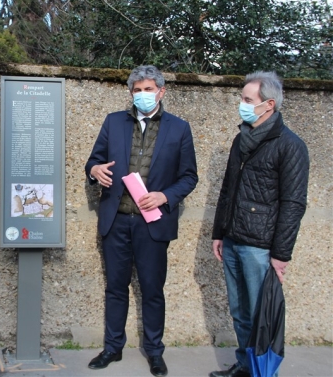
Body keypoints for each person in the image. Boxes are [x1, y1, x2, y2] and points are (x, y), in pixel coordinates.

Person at [85, 65, 198, 376]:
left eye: (149, 89)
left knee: (152, 289)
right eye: (137, 90)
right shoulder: (113, 122)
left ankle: (155, 351)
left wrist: (165, 196)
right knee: (116, 288)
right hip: (117, 220)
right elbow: (93, 161)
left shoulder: (179, 129)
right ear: (130, 93)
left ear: (161, 92)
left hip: (153, 223)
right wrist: (95, 171)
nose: (143, 95)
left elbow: (189, 177)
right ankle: (112, 348)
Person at [210, 71, 309, 377]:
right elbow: (228, 189)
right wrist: (219, 233)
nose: (241, 103)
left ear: (268, 104)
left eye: (246, 99)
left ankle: (265, 374)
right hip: (234, 240)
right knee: (240, 313)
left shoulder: (290, 145)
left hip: (260, 248)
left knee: (260, 317)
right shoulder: (241, 139)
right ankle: (244, 365)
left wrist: (280, 254)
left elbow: (293, 204)